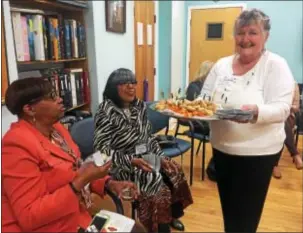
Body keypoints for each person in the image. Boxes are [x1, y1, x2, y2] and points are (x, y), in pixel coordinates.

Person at [2, 77, 140, 232]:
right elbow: (29, 216)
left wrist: (108, 183)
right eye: (52, 96)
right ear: (29, 109)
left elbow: (76, 167)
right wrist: (80, 181)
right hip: (50, 227)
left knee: (135, 229)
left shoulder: (56, 130)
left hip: (75, 217)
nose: (60, 99)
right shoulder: (15, 145)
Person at [199, 9, 295, 233]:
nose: (245, 39)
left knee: (246, 219)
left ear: (266, 36)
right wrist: (194, 110)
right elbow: (203, 98)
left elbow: (282, 109)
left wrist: (255, 112)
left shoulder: (276, 65)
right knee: (229, 212)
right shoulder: (221, 65)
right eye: (240, 33)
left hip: (257, 156)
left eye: (253, 32)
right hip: (222, 150)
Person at [93, 68, 193, 233]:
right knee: (157, 185)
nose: (131, 87)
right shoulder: (105, 112)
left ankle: (169, 217)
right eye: (124, 83)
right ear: (113, 88)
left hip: (145, 156)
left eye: (133, 82)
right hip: (122, 163)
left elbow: (149, 137)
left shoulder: (138, 106)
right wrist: (130, 160)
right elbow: (100, 153)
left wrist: (160, 157)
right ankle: (158, 227)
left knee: (173, 169)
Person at [273, 82, 303, 178]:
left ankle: (274, 165)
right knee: (280, 122)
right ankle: (295, 154)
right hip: (272, 116)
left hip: (288, 116)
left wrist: (285, 107)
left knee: (281, 123)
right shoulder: (271, 84)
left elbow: (296, 107)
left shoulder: (293, 85)